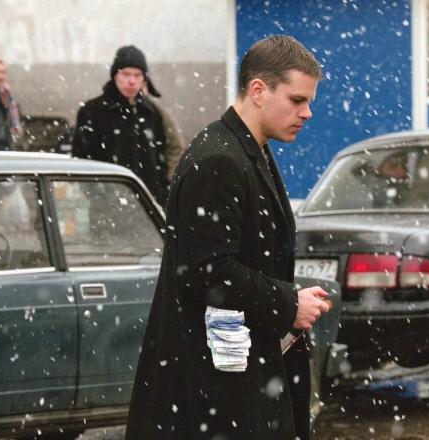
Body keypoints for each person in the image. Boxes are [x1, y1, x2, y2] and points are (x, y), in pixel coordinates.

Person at [125, 35, 330, 440]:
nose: (307, 113)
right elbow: (207, 271)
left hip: (232, 380)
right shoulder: (219, 158)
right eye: (296, 100)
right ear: (258, 90)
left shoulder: (245, 149)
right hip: (214, 389)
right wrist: (288, 303)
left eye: (308, 102)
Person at [72, 45, 171, 206]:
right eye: (126, 74)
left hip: (148, 206)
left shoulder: (151, 113)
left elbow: (162, 159)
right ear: (115, 75)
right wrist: (101, 197)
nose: (132, 81)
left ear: (144, 78)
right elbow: (83, 161)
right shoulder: (92, 112)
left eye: (137, 75)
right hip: (108, 208)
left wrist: (160, 195)